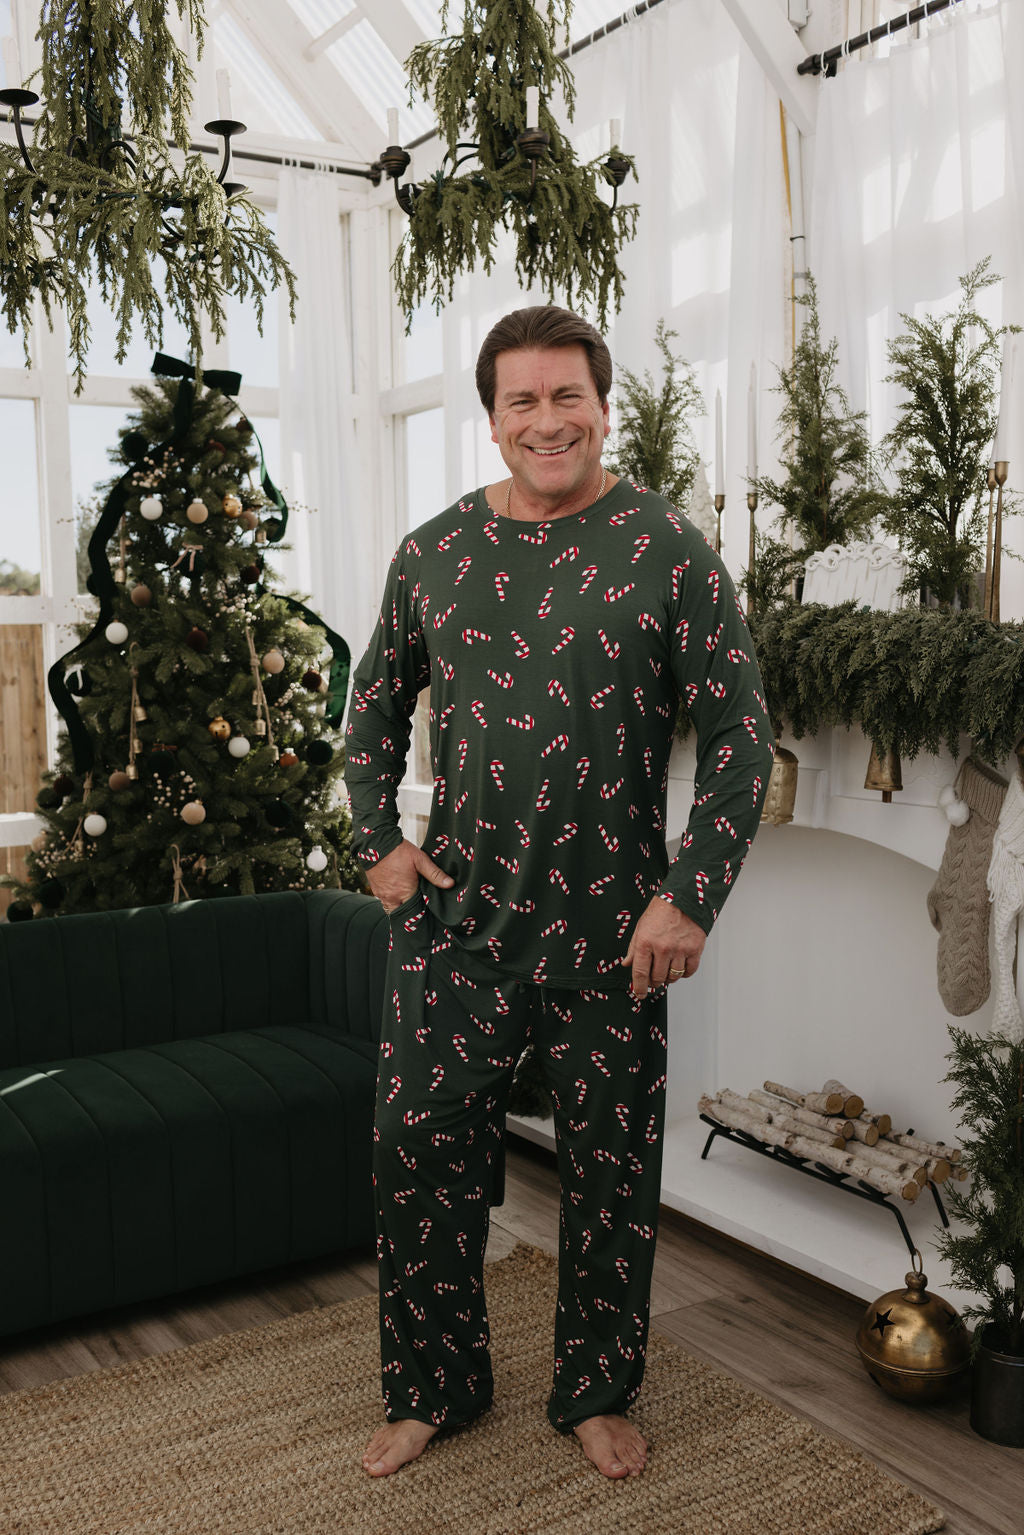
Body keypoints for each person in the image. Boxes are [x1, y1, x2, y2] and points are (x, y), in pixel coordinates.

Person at [346, 305, 774, 1480]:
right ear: (492, 422)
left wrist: (692, 892)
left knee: (610, 1172)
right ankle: (433, 1384)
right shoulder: (431, 555)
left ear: (600, 405)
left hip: (613, 935)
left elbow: (742, 736)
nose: (548, 420)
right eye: (522, 401)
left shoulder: (670, 549)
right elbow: (374, 705)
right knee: (416, 1149)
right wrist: (376, 839)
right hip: (455, 926)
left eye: (567, 396)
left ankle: (594, 1387)